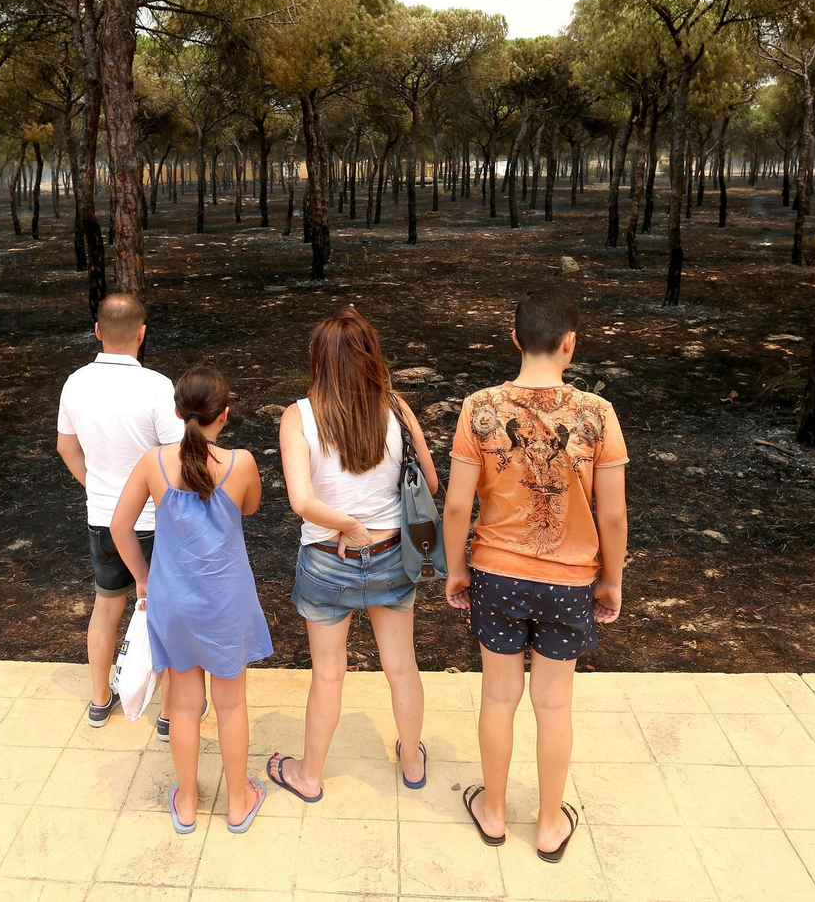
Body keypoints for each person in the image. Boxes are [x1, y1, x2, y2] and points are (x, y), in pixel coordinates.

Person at [442, 285, 628, 862]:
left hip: (496, 575)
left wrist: (456, 570)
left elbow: (455, 506)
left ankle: (493, 813)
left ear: (516, 338)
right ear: (570, 344)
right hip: (570, 582)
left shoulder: (480, 408)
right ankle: (550, 825)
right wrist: (611, 580)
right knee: (554, 704)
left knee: (498, 698)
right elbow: (614, 512)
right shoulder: (597, 414)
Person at [266, 306, 440, 804]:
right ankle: (411, 762)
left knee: (328, 673)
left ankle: (309, 775)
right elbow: (428, 482)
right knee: (402, 665)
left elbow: (302, 501)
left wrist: (347, 526)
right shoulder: (398, 409)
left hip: (326, 559)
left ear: (318, 360)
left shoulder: (297, 416)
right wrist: (368, 523)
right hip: (394, 555)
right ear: (370, 356)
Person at [110, 368, 272, 834]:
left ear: (178, 412)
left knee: (182, 706)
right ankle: (238, 802)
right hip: (226, 600)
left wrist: (143, 579)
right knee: (231, 705)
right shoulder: (241, 463)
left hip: (173, 601)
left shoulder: (152, 462)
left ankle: (186, 804)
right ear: (224, 414)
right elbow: (250, 507)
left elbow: (120, 527)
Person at [56, 293, 186, 734]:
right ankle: (169, 713)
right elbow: (178, 454)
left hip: (103, 518)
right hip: (155, 521)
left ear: (97, 331)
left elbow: (66, 447)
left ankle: (99, 700)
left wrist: (96, 487)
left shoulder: (74, 383)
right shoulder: (156, 386)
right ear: (142, 333)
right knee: (163, 611)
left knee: (106, 607)